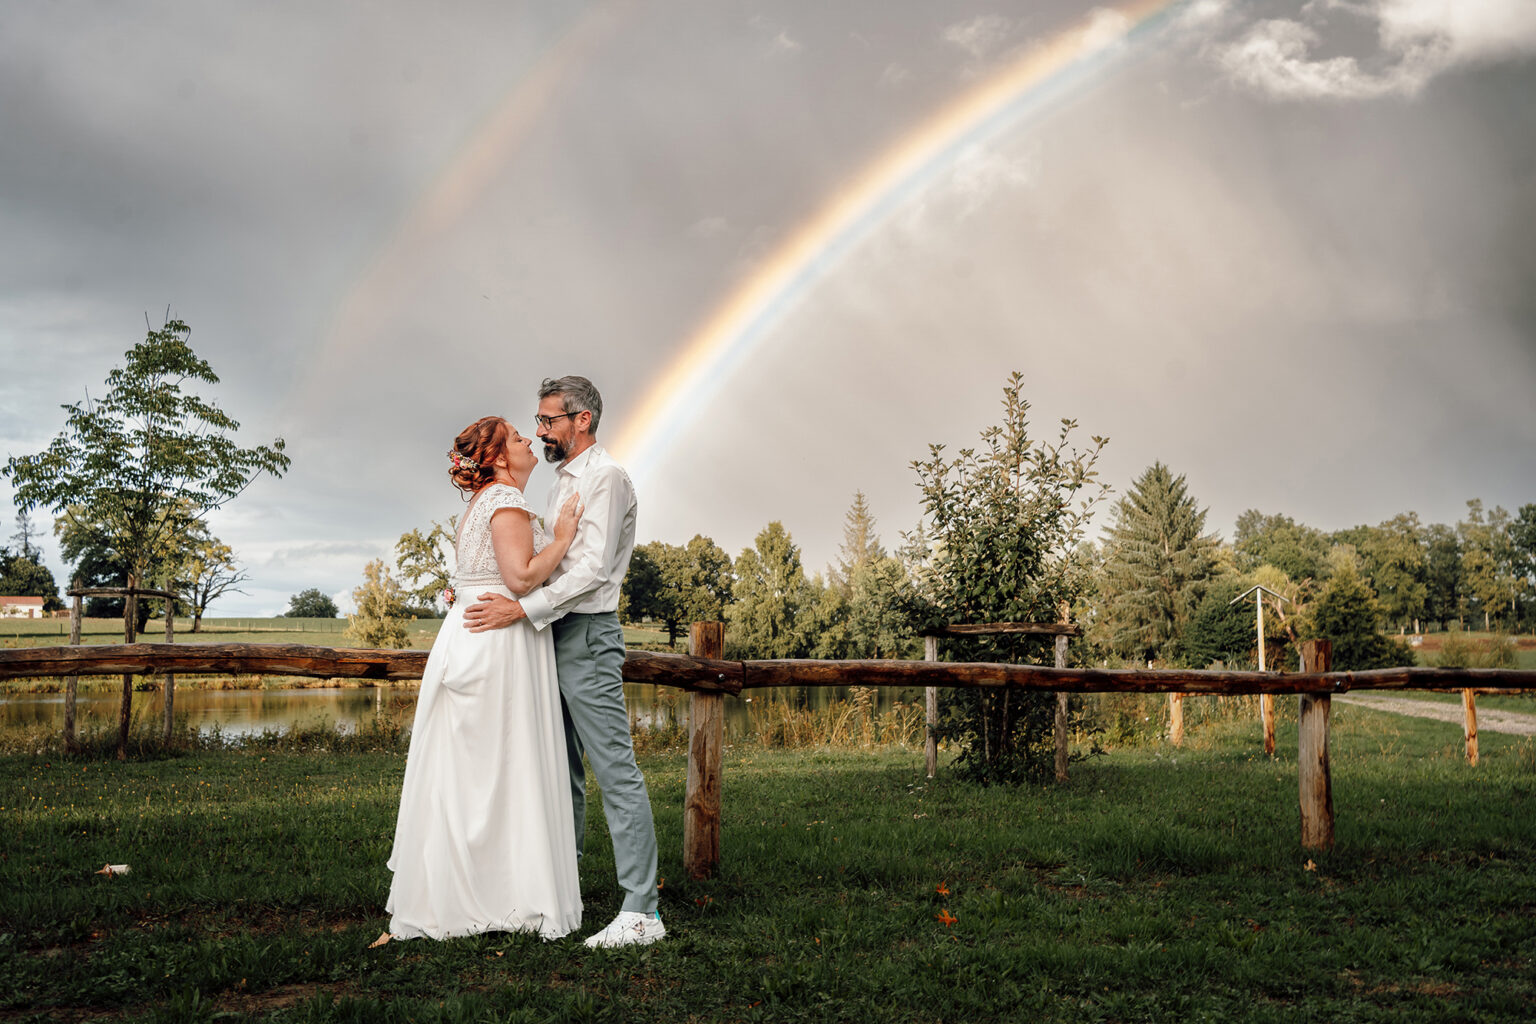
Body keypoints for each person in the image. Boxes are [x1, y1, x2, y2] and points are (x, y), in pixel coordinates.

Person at [462, 375, 664, 948]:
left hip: (587, 637)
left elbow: (593, 571)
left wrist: (522, 610)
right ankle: (561, 886)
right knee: (560, 770)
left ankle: (642, 912)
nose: (539, 430)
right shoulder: (559, 485)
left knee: (614, 771)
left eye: (549, 420)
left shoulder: (605, 478)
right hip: (550, 633)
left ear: (583, 420)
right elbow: (544, 561)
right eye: (539, 420)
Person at [379, 415, 585, 943]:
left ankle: (466, 889)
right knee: (503, 765)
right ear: (497, 458)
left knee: (471, 770)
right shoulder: (505, 502)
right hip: (499, 644)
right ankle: (506, 896)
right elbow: (518, 578)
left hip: (469, 635)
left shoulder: (476, 507)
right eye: (518, 438)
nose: (528, 441)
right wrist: (562, 538)